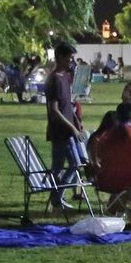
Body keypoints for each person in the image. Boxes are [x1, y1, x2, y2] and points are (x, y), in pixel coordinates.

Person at [44, 40, 85, 214]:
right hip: (60, 132)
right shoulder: (53, 80)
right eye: (69, 57)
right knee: (74, 164)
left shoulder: (66, 77)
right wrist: (72, 128)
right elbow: (54, 110)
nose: (71, 60)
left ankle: (56, 200)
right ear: (60, 57)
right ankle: (56, 198)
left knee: (60, 167)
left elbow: (68, 104)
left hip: (69, 129)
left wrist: (77, 121)